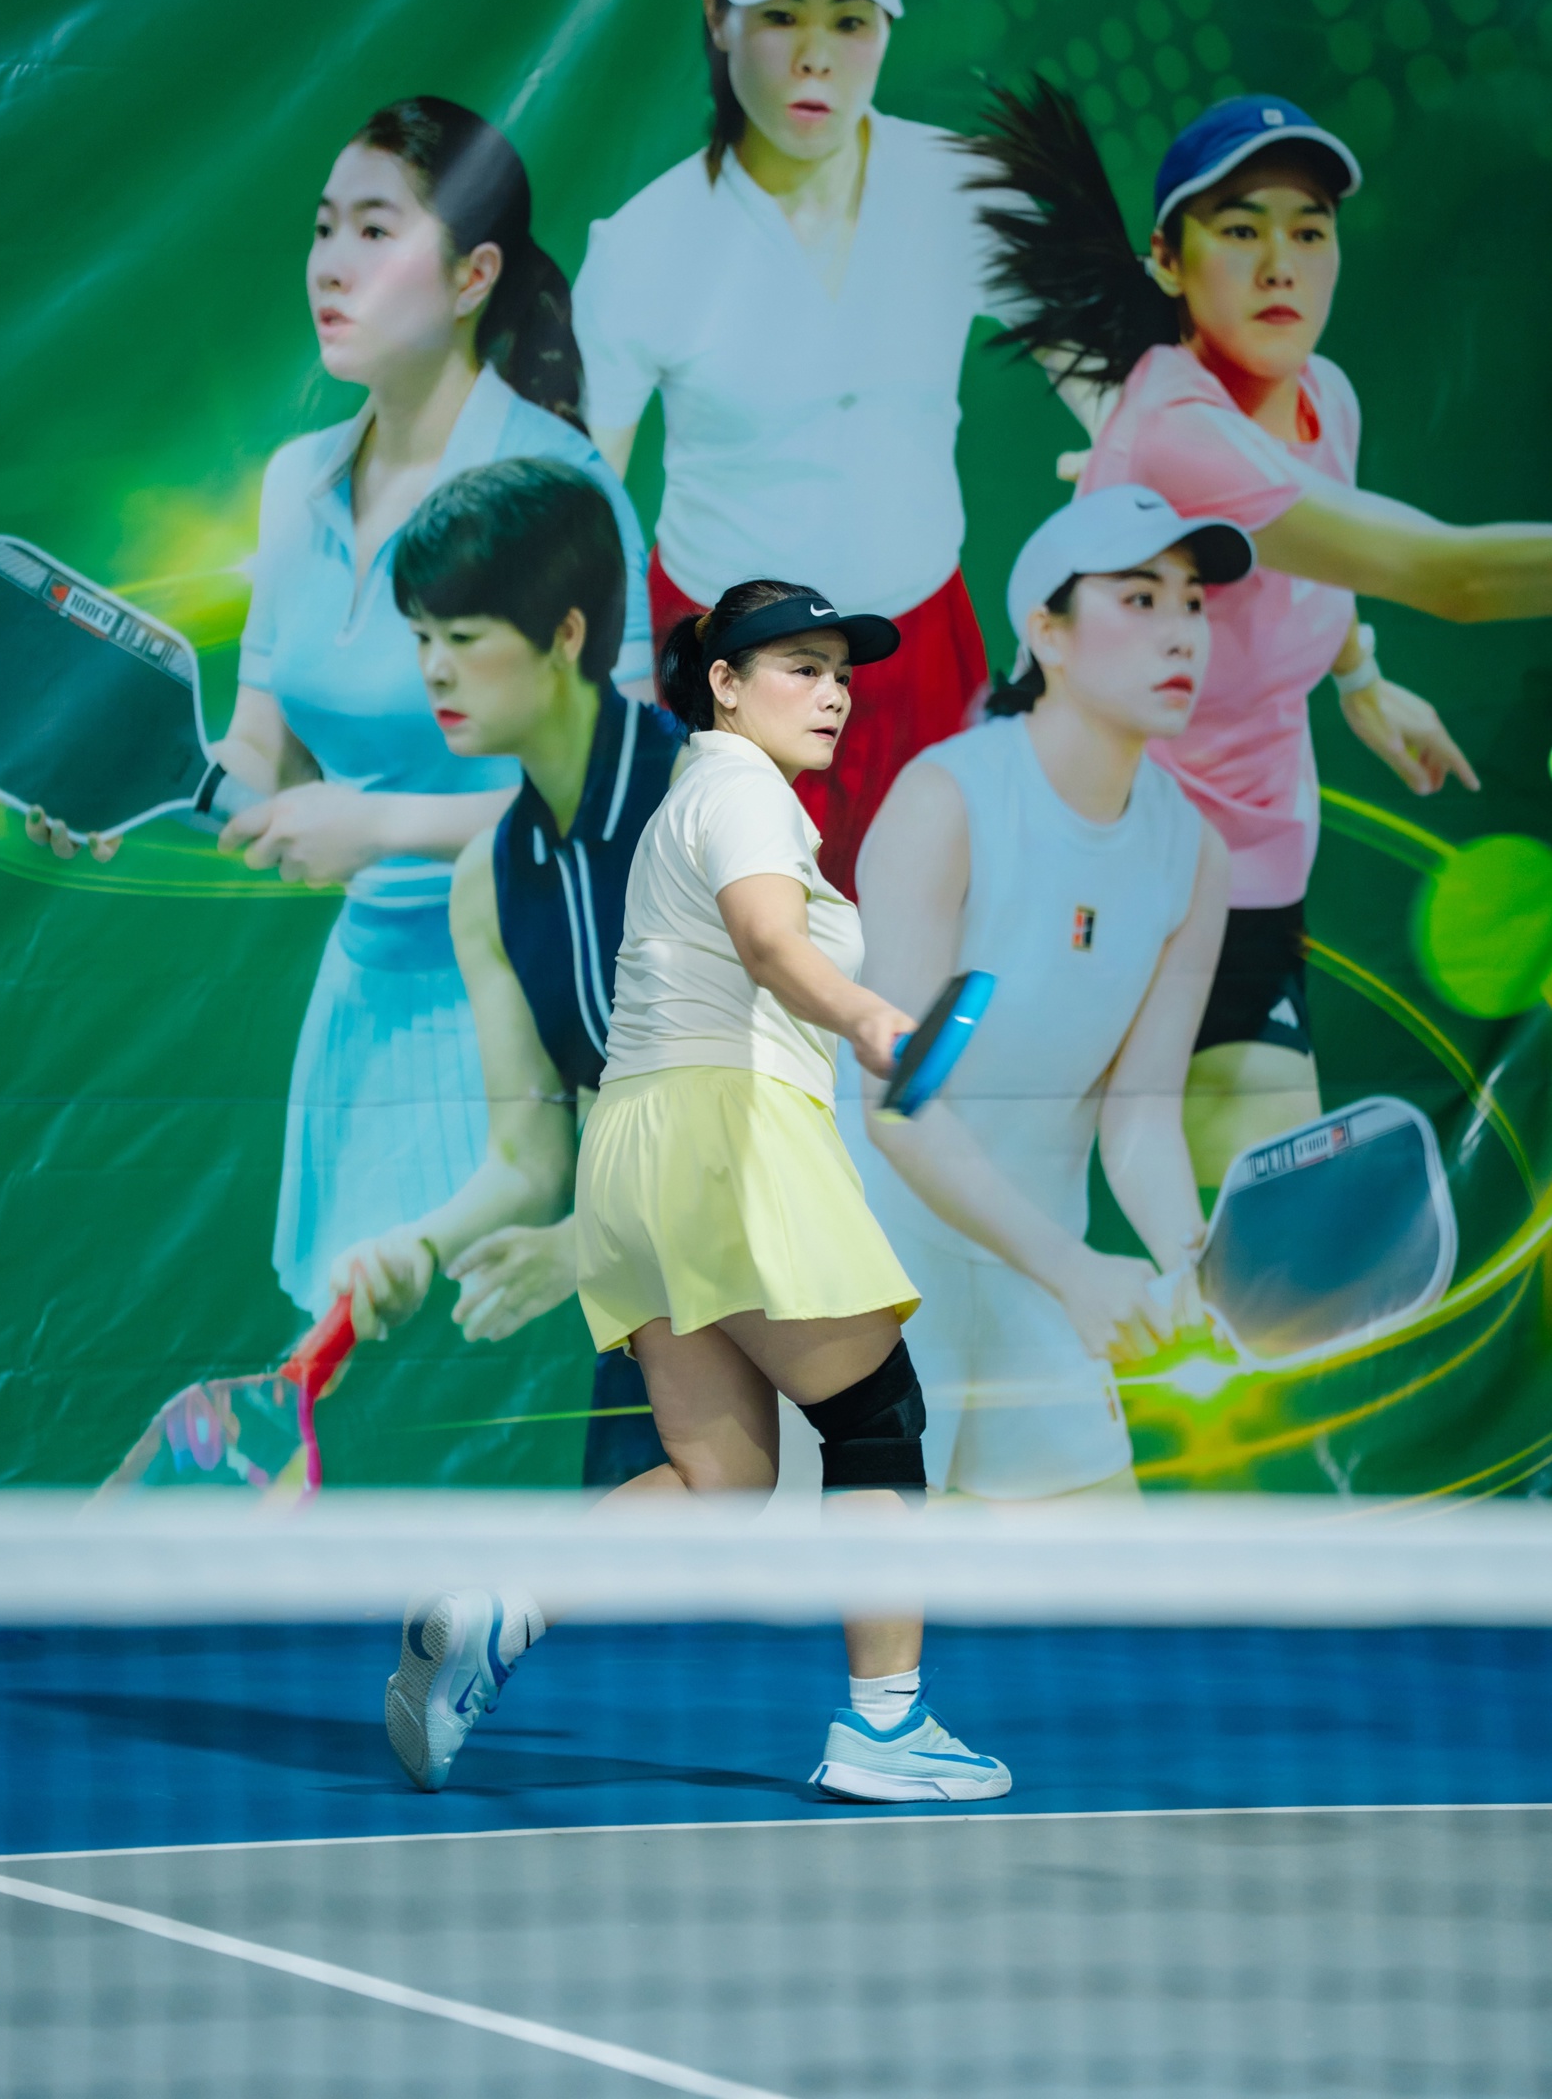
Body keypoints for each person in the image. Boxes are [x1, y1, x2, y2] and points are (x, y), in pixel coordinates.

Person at [384, 580, 1012, 1805]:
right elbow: (771, 943)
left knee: (720, 1479)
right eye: (800, 668)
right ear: (723, 685)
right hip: (730, 1133)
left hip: (639, 1147)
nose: (833, 694)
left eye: (842, 673)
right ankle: (887, 1725)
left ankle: (500, 1611)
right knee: (875, 1422)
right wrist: (873, 1022)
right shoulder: (739, 791)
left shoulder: (699, 796)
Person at [29, 96, 651, 1320]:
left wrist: (381, 828)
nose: (330, 264)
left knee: (490, 1383)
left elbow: (622, 800)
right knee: (343, 1380)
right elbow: (264, 754)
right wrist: (126, 791)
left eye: (376, 230)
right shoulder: (294, 481)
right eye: (324, 229)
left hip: (540, 1008)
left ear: (474, 276)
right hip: (365, 1010)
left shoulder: (559, 487)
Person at [966, 81, 1552, 1187]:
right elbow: (1456, 578)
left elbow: (1315, 559)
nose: (1282, 263)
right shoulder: (1181, 433)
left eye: (1309, 231)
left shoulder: (1326, 395)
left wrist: (1360, 675)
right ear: (1168, 260)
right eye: (1240, 231)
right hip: (1103, 873)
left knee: (1271, 1213)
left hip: (1250, 874)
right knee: (1058, 1204)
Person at [571, 0, 1083, 899]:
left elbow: (1137, 414)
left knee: (932, 942)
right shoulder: (642, 247)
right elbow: (581, 517)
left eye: (849, 20)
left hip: (923, 652)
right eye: (779, 16)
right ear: (717, 17)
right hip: (720, 669)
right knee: (736, 958)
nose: (814, 57)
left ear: (888, 26)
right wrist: (619, 705)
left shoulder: (970, 194)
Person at [850, 486, 1240, 1501]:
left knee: (1107, 1585)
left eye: (1192, 604)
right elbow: (900, 1101)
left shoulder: (1194, 853)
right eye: (1140, 599)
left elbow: (1140, 1116)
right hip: (871, 1266)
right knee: (864, 1590)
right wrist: (1072, 1270)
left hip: (1038, 1269)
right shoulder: (947, 801)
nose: (1180, 633)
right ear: (1048, 634)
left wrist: (1191, 1266)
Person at [328, 455, 673, 1486]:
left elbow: (780, 1111)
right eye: (421, 638)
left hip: (799, 1297)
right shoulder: (490, 877)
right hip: (650, 1321)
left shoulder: (709, 804)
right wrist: (418, 1249)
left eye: (465, 638)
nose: (434, 670)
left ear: (565, 634)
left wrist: (580, 1252)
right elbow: (530, 1157)